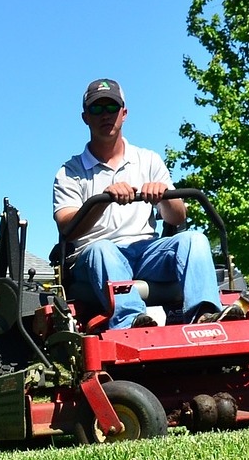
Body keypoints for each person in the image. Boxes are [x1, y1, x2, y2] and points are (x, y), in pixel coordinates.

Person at [52, 78, 238, 327]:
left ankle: (203, 314)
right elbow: (67, 226)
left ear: (124, 113)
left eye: (112, 108)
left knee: (194, 239)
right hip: (94, 257)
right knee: (102, 249)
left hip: (146, 252)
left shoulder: (148, 160)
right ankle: (131, 321)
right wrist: (104, 201)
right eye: (96, 109)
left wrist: (164, 197)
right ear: (85, 117)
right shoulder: (70, 171)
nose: (105, 115)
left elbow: (177, 217)